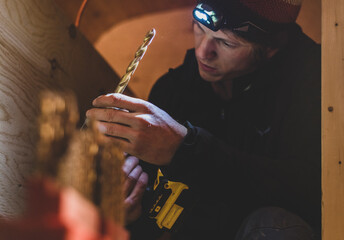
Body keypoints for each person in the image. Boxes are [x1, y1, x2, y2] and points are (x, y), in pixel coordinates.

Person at [86, 0, 321, 239]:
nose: (202, 52)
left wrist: (185, 149)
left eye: (226, 43)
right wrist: (130, 212)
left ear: (272, 47)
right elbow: (158, 215)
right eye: (198, 28)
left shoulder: (319, 84)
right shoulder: (173, 89)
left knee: (275, 226)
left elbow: (312, 194)